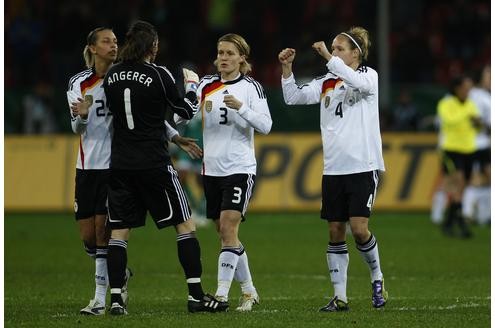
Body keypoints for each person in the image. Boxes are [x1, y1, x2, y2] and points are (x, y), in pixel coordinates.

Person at [103, 20, 225, 315]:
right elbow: (185, 110)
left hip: (120, 163)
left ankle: (117, 299)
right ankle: (196, 296)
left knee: (119, 233)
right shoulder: (159, 74)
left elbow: (133, 117)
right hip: (154, 163)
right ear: (152, 46)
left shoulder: (112, 75)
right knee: (185, 225)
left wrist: (174, 136)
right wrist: (193, 86)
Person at [279, 26, 388, 312]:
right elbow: (294, 97)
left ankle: (377, 277)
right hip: (334, 168)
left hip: (362, 165)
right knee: (336, 230)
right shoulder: (327, 81)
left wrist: (329, 57)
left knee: (359, 229)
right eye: (333, 48)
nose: (335, 52)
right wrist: (287, 69)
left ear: (356, 54)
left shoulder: (368, 76)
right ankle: (340, 297)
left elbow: (357, 83)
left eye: (340, 48)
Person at [188, 33, 272, 311]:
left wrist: (242, 108)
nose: (223, 58)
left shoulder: (251, 88)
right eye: (220, 52)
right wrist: (189, 90)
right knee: (226, 235)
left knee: (228, 227)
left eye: (229, 53)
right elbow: (183, 114)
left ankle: (222, 294)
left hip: (240, 168)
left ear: (241, 58)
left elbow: (266, 125)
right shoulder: (205, 85)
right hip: (211, 170)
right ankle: (249, 292)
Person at [67, 27, 132, 316]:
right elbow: (76, 128)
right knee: (88, 238)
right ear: (93, 48)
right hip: (86, 167)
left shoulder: (121, 79)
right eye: (107, 41)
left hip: (113, 167)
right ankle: (122, 272)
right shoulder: (78, 83)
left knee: (102, 232)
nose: (113, 45)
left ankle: (98, 300)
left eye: (116, 41)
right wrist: (80, 117)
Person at [437, 75, 480, 237]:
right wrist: (467, 116)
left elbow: (476, 127)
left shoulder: (471, 104)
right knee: (459, 181)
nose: (468, 91)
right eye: (466, 88)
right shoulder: (446, 103)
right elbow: (449, 121)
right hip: (451, 150)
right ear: (457, 88)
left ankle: (448, 221)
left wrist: (478, 123)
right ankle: (461, 222)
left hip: (468, 149)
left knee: (462, 187)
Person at [463, 66, 491, 225]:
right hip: (480, 144)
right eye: (488, 76)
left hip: (470, 144)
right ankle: (476, 214)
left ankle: (475, 213)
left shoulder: (470, 95)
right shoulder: (482, 97)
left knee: (476, 180)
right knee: (480, 179)